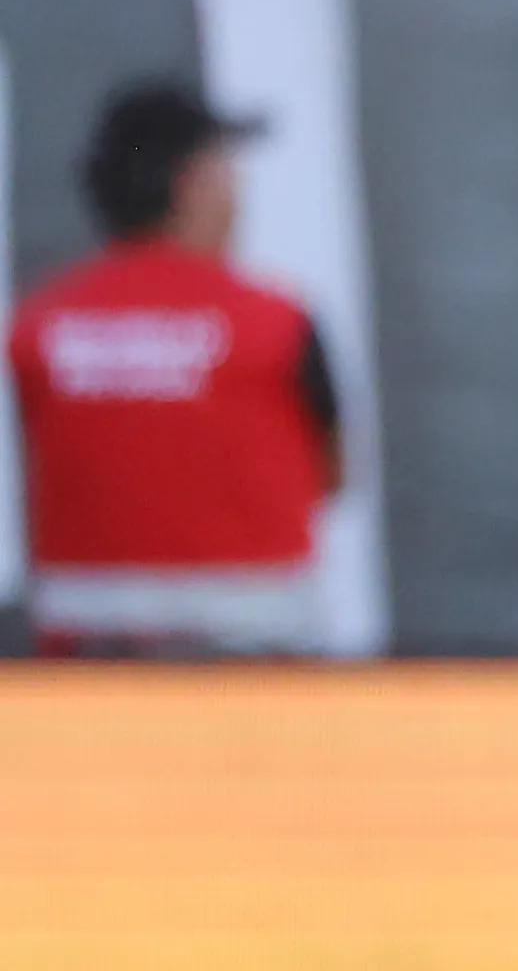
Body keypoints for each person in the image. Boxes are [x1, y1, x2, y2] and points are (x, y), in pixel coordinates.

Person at [9, 81, 343, 655]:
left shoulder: (37, 325)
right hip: (255, 660)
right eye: (226, 170)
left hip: (87, 666)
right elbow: (330, 474)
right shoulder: (278, 322)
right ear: (191, 183)